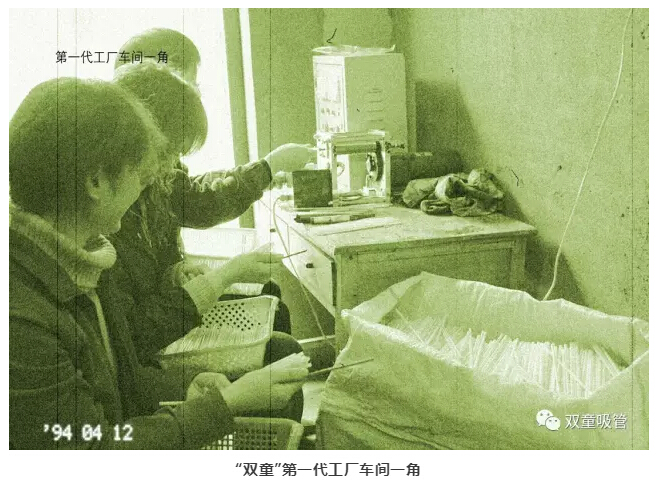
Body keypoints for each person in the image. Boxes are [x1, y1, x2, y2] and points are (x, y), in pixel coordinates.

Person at [8, 77, 308, 449]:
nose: (148, 185)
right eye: (142, 176)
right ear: (96, 182)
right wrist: (226, 404)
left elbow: (122, 379)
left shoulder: (86, 257)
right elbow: (95, 452)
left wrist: (186, 387)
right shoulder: (22, 322)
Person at [111, 32, 310, 368]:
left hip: (157, 318)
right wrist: (224, 276)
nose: (170, 166)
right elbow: (138, 332)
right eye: (189, 82)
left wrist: (173, 273)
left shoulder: (147, 178)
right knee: (281, 348)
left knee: (272, 302)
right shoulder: (115, 208)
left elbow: (184, 200)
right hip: (146, 355)